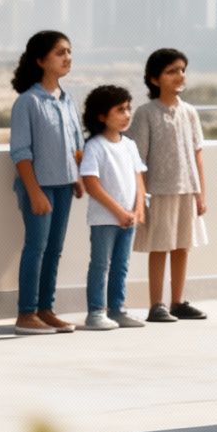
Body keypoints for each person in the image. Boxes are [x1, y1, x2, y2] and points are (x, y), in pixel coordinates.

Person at [7, 30, 84, 336]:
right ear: (41, 60)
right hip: (40, 187)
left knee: (55, 250)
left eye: (69, 51)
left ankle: (45, 310)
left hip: (65, 186)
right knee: (36, 248)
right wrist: (35, 191)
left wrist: (77, 178)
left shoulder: (67, 100)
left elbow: (77, 144)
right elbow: (21, 153)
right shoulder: (27, 102)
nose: (67, 57)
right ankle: (26, 314)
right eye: (60, 53)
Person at [129, 48, 210, 322]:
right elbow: (137, 159)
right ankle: (156, 305)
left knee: (182, 246)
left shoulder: (189, 112)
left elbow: (198, 154)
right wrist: (140, 197)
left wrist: (201, 194)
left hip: (187, 188)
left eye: (182, 70)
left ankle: (177, 301)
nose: (179, 75)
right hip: (159, 190)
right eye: (172, 71)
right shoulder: (145, 113)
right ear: (154, 79)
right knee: (160, 246)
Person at [78, 85, 148, 331]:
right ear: (101, 116)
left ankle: (117, 310)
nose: (127, 114)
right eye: (120, 110)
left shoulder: (129, 145)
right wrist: (119, 212)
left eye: (128, 108)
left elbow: (139, 178)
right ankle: (96, 312)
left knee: (122, 265)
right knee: (101, 265)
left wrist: (139, 208)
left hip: (129, 219)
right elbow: (91, 184)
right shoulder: (95, 146)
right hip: (104, 219)